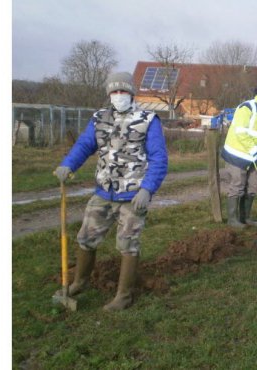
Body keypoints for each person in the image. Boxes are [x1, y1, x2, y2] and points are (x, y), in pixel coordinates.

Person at [52, 71, 168, 311]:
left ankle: (123, 296)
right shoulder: (99, 118)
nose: (118, 95)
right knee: (86, 238)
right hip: (103, 192)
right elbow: (85, 144)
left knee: (128, 243)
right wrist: (68, 164)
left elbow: (159, 158)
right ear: (109, 94)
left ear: (131, 93)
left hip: (134, 195)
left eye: (123, 91)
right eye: (114, 91)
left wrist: (147, 189)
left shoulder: (148, 119)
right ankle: (79, 282)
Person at [221, 76, 257, 228]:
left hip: (254, 157)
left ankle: (246, 217)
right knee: (237, 185)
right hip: (236, 153)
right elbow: (240, 132)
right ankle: (233, 219)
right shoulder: (247, 107)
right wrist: (255, 149)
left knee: (253, 186)